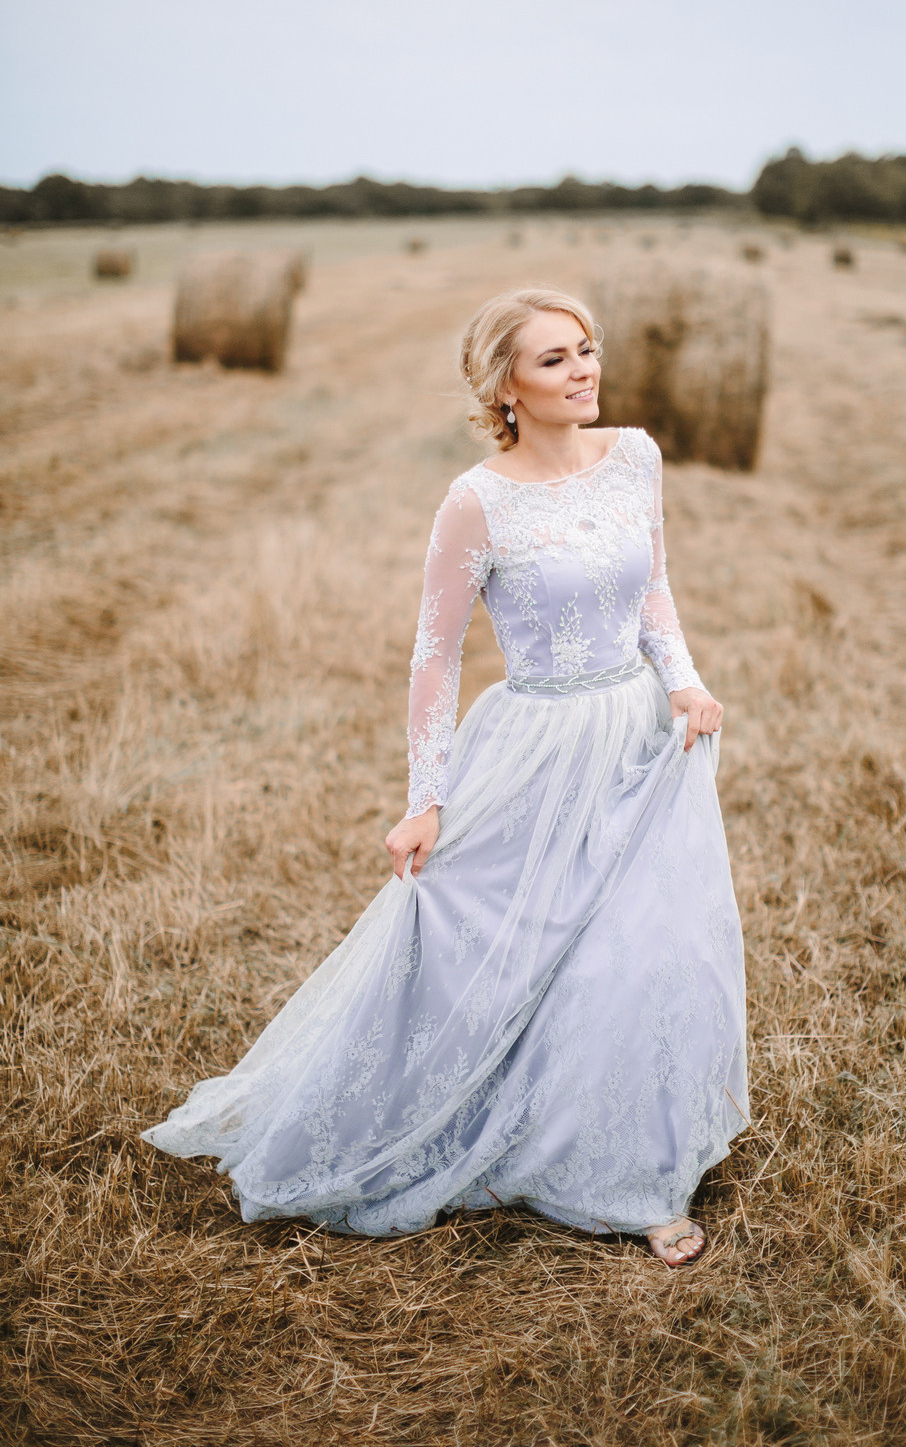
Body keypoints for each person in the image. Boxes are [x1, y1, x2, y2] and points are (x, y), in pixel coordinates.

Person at [143, 287, 749, 1267]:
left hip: (637, 740)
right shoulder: (476, 500)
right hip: (534, 747)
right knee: (486, 953)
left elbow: (653, 589)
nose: (582, 369)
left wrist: (685, 685)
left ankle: (634, 1175)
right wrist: (424, 798)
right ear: (505, 384)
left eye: (586, 349)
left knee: (638, 956)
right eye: (553, 359)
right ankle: (449, 1127)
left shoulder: (636, 456)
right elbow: (434, 657)